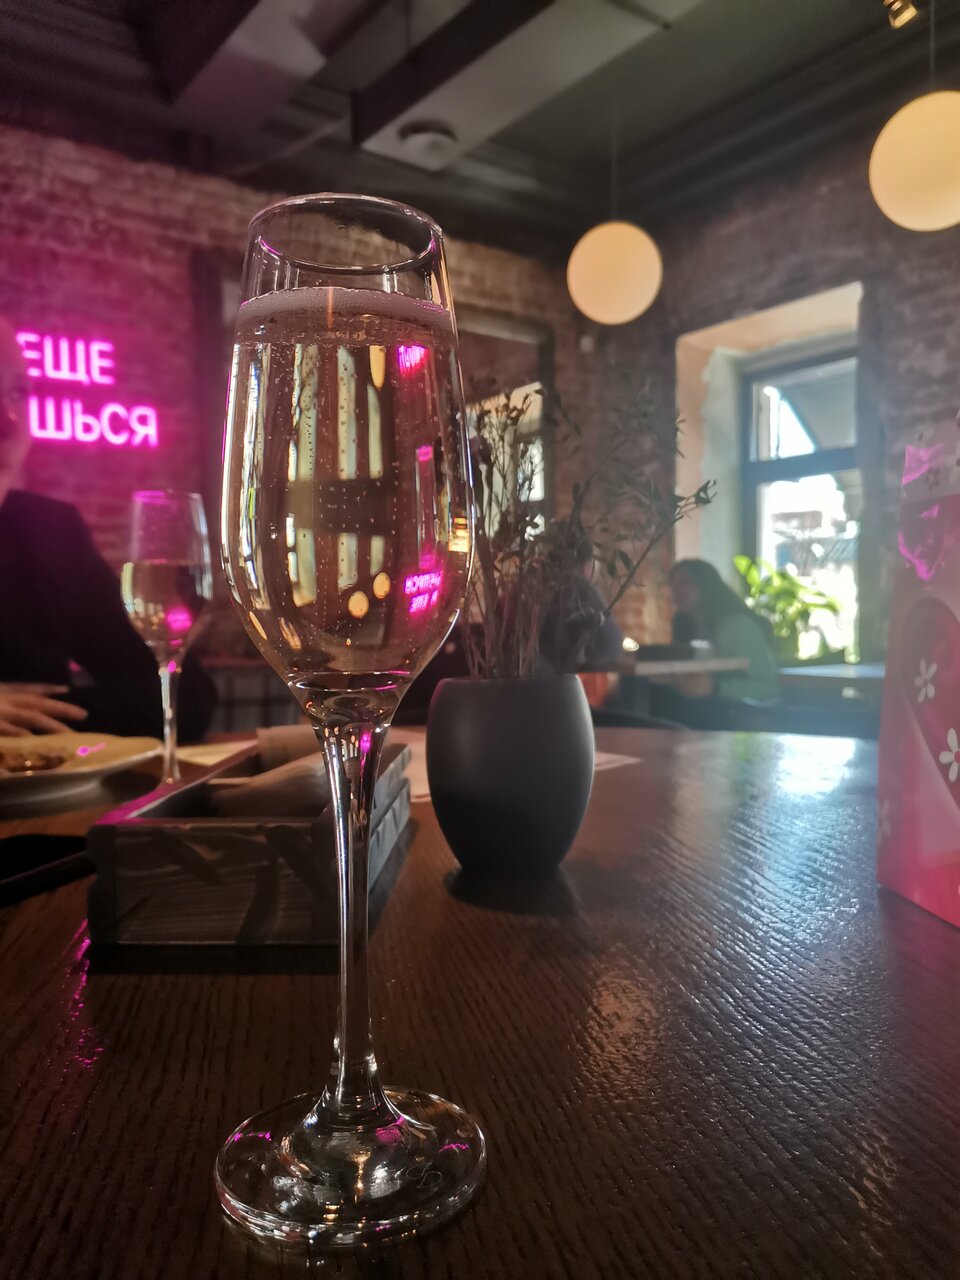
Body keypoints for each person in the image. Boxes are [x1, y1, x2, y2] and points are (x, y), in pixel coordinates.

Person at [0, 316, 214, 738]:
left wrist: (27, 721)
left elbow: (186, 695)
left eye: (18, 393)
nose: (9, 422)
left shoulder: (49, 535)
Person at [668, 558, 779, 703]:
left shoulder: (740, 627)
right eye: (672, 584)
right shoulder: (685, 627)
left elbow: (768, 686)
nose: (675, 590)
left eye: (684, 582)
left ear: (705, 585)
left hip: (736, 712)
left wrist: (715, 688)